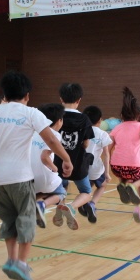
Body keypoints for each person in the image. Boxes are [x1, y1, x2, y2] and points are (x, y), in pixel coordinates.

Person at [0, 71, 72, 280]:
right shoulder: (31, 113)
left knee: (8, 219)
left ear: (5, 92)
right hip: (19, 177)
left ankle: (11, 259)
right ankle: (21, 262)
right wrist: (66, 159)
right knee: (27, 218)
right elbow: (52, 141)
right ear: (27, 95)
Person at [52, 83, 95, 230]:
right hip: (77, 163)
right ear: (79, 100)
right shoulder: (85, 119)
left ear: (61, 99)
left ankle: (61, 205)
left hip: (57, 163)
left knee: (60, 189)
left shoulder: (56, 117)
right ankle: (72, 206)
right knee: (86, 192)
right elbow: (86, 144)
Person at [110, 87, 140, 206]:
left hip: (116, 167)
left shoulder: (116, 128)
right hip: (134, 166)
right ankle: (133, 186)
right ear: (138, 115)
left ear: (122, 115)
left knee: (124, 175)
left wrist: (107, 164)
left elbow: (108, 146)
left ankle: (122, 184)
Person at [32, 103, 68, 229]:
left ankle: (34, 207)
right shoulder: (54, 135)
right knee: (62, 193)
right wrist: (54, 167)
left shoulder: (33, 132)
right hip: (44, 176)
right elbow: (44, 157)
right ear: (59, 121)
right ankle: (43, 205)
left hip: (28, 177)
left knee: (38, 193)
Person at [79, 105, 112, 224]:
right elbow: (106, 155)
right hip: (96, 168)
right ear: (100, 120)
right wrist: (107, 173)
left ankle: (82, 203)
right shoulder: (103, 134)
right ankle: (92, 204)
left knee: (86, 187)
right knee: (102, 185)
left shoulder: (80, 131)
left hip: (81, 168)